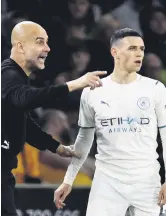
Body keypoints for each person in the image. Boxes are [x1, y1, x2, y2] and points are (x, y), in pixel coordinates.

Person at [54, 28, 166, 216]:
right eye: (132, 48)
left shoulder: (155, 89)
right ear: (114, 52)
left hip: (147, 182)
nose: (139, 53)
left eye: (142, 48)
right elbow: (83, 140)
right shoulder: (93, 92)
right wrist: (68, 179)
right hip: (107, 183)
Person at [1, 21, 106, 216]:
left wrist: (57, 148)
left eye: (47, 43)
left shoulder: (14, 77)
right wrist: (75, 83)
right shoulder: (8, 75)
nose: (47, 48)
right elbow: (26, 99)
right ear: (21, 46)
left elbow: (24, 125)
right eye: (40, 42)